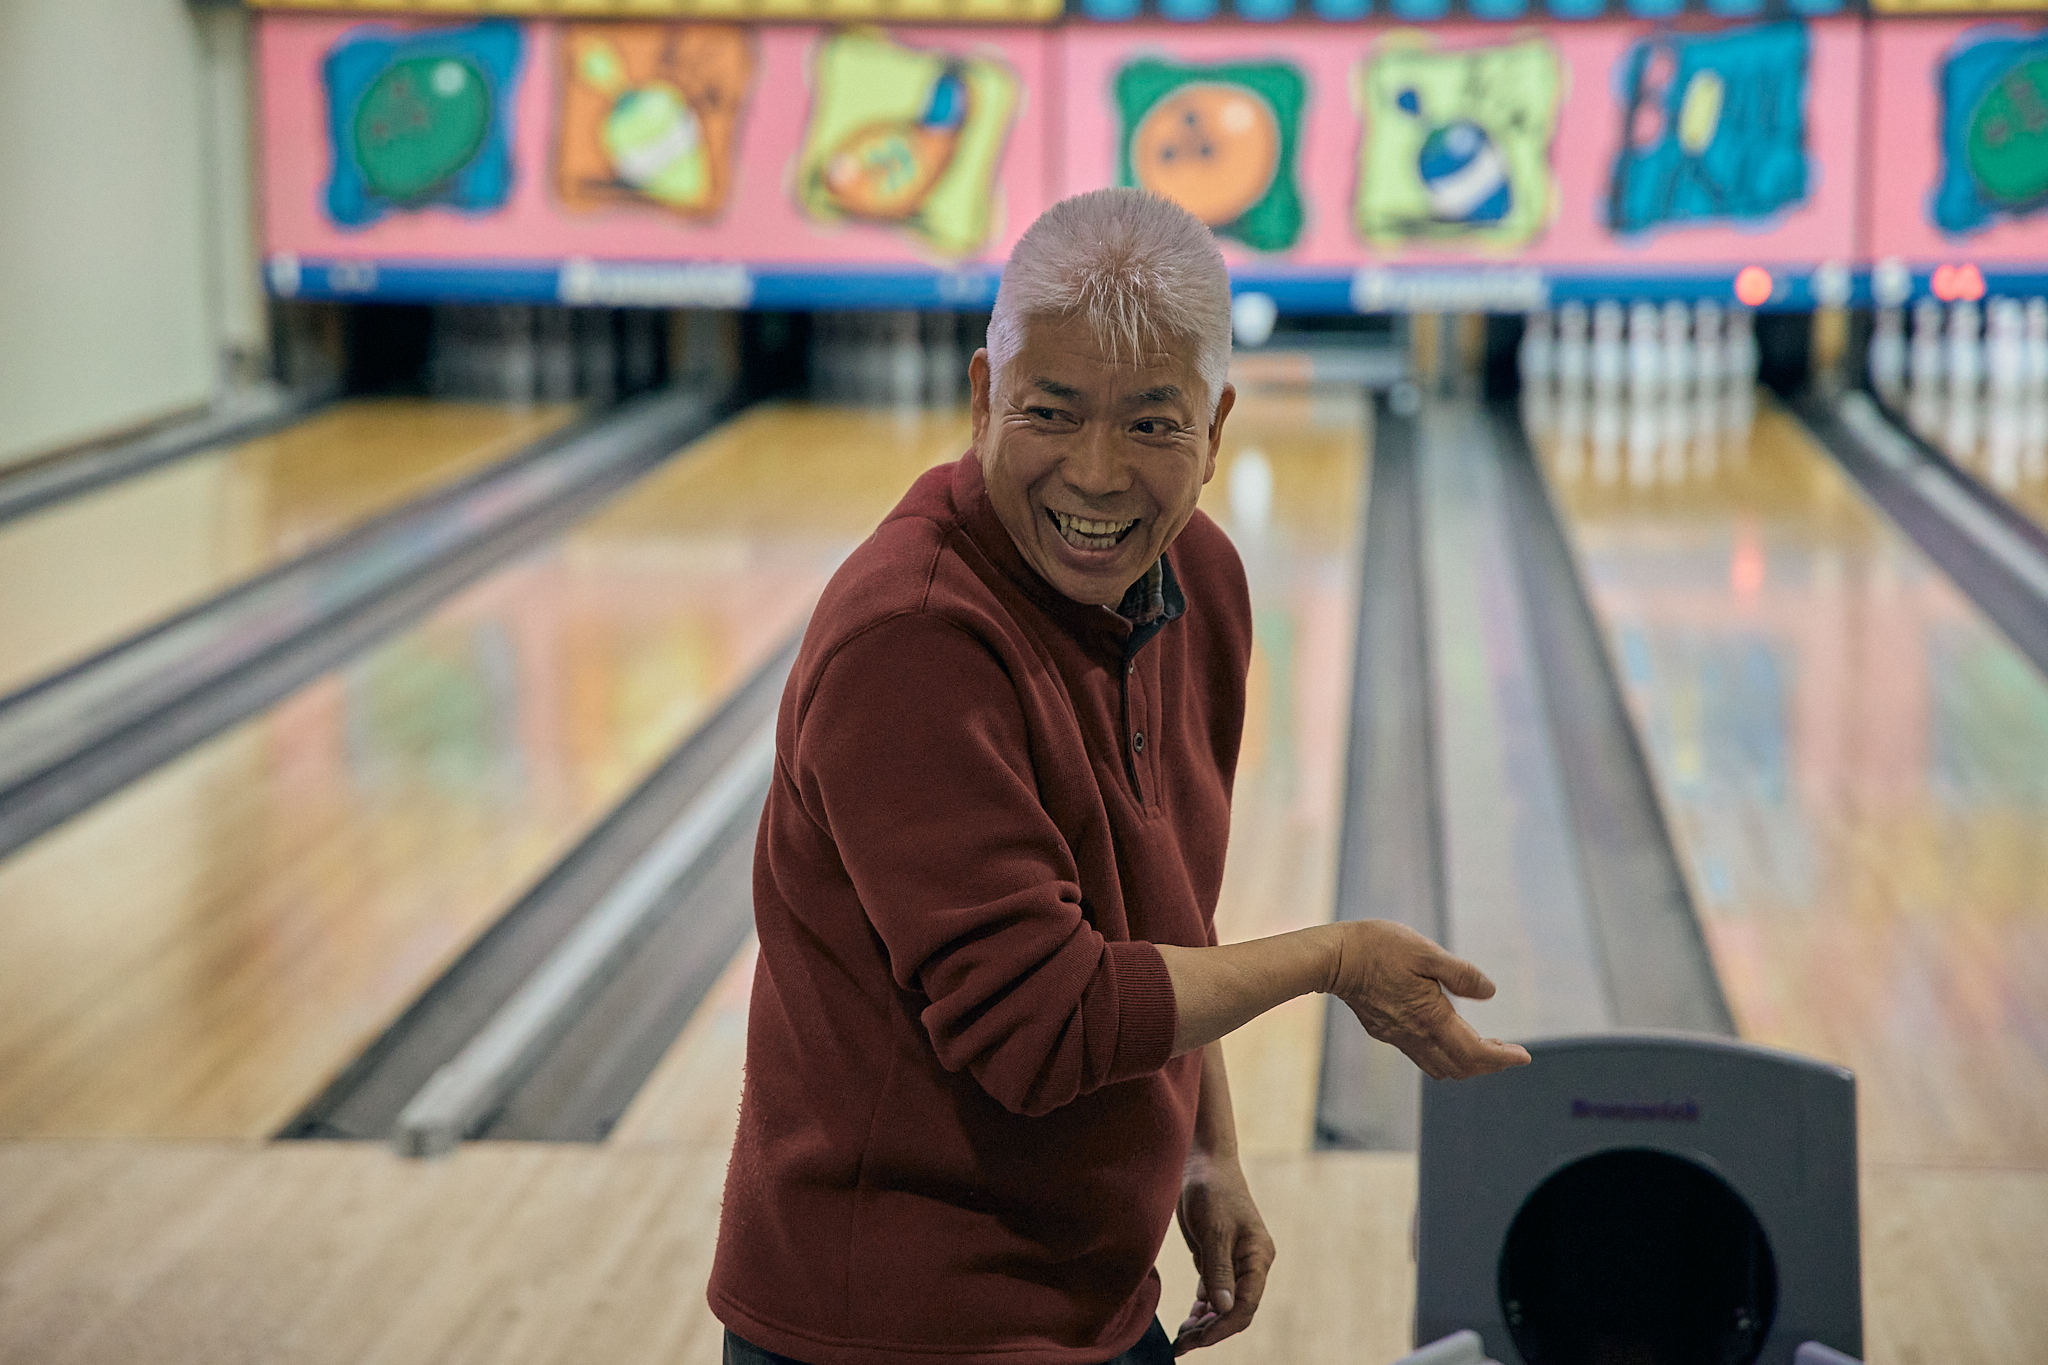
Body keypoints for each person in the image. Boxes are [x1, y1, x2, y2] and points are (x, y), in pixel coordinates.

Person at [707, 188, 1530, 1365]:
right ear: (983, 396)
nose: (1096, 476)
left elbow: (1157, 921)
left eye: (1152, 425)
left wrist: (1205, 1149)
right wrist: (1334, 959)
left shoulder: (1201, 581)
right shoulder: (915, 641)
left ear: (1216, 426)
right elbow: (1042, 1026)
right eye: (1051, 411)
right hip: (887, 1330)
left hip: (1085, 1299)